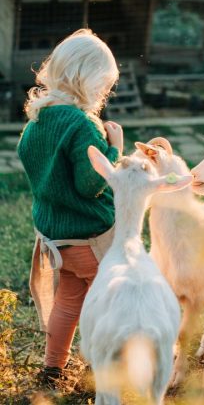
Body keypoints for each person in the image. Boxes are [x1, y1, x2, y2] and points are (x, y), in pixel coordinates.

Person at [17, 29, 122, 386]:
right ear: (85, 79)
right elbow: (90, 185)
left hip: (56, 238)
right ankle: (95, 371)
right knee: (102, 304)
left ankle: (52, 369)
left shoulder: (37, 120)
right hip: (91, 237)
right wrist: (114, 149)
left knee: (68, 301)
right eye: (103, 86)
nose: (102, 95)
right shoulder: (82, 125)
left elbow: (33, 161)